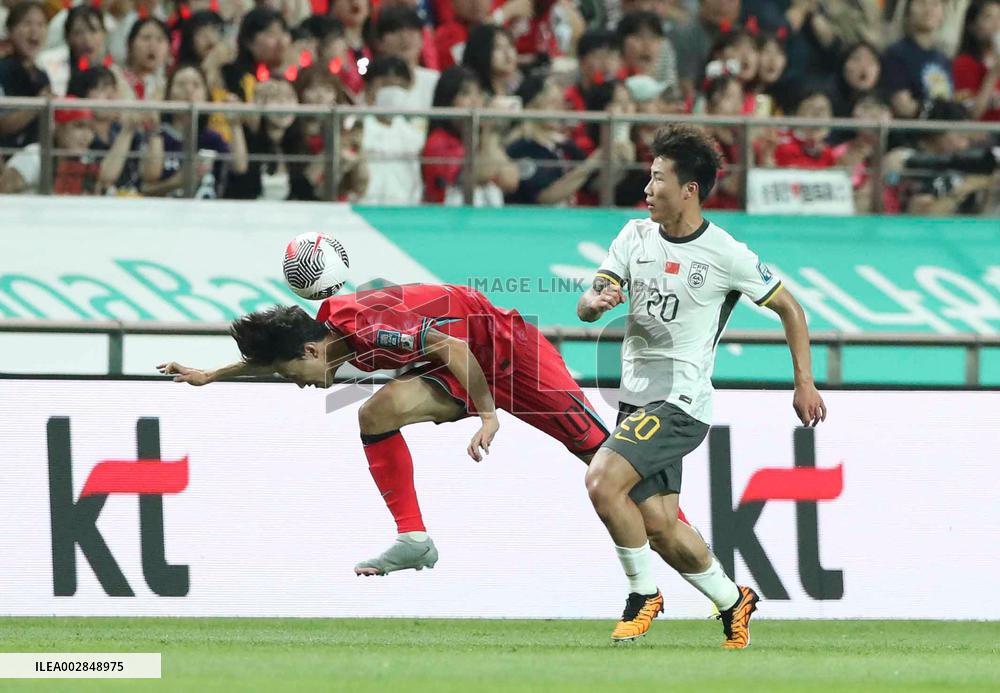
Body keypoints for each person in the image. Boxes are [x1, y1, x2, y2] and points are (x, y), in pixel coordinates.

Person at [154, 282, 613, 576]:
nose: (298, 385)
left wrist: (490, 415)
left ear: (313, 352)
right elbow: (277, 357)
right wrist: (212, 375)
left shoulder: (370, 329)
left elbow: (451, 344)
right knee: (374, 413)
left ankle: (669, 532)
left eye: (294, 374)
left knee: (608, 464)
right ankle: (413, 538)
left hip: (511, 355)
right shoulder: (325, 333)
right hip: (460, 367)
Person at [577, 123, 827, 646]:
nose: (647, 189)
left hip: (681, 402)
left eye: (658, 178)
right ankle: (734, 601)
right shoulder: (633, 236)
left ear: (689, 189)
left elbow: (791, 308)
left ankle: (643, 595)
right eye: (648, 177)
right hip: (636, 402)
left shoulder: (725, 253)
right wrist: (595, 300)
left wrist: (804, 382)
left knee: (602, 481)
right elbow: (593, 294)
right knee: (662, 525)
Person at [421, 65, 518, 205]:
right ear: (447, 101)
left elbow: (510, 180)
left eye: (478, 93)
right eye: (465, 94)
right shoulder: (438, 141)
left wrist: (492, 131)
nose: (475, 101)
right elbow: (476, 176)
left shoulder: (480, 139)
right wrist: (489, 129)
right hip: (449, 219)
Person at [882, 0, 954, 118]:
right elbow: (903, 107)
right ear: (908, 11)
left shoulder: (944, 58)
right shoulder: (896, 54)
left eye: (935, 4)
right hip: (914, 132)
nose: (928, 10)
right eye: (921, 3)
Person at [0, 1, 50, 151]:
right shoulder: (2, 69)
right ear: (10, 30)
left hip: (39, 156)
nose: (34, 31)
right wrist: (38, 105)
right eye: (27, 23)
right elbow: (2, 124)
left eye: (41, 24)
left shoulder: (42, 75)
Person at [952, 0, 1000, 122]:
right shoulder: (963, 64)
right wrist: (993, 74)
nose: (997, 24)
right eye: (989, 17)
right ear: (972, 26)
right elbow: (970, 115)